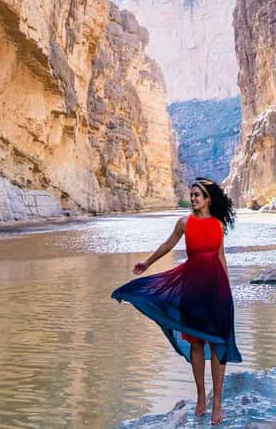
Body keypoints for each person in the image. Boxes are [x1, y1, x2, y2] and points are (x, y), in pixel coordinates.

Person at [111, 177, 241, 426]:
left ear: (208, 199)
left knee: (218, 345)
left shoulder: (217, 225)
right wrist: (147, 263)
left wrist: (227, 290)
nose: (192, 199)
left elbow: (221, 257)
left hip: (216, 289)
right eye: (191, 195)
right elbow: (167, 245)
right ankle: (201, 397)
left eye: (197, 195)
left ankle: (217, 404)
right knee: (195, 343)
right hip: (191, 287)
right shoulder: (184, 222)